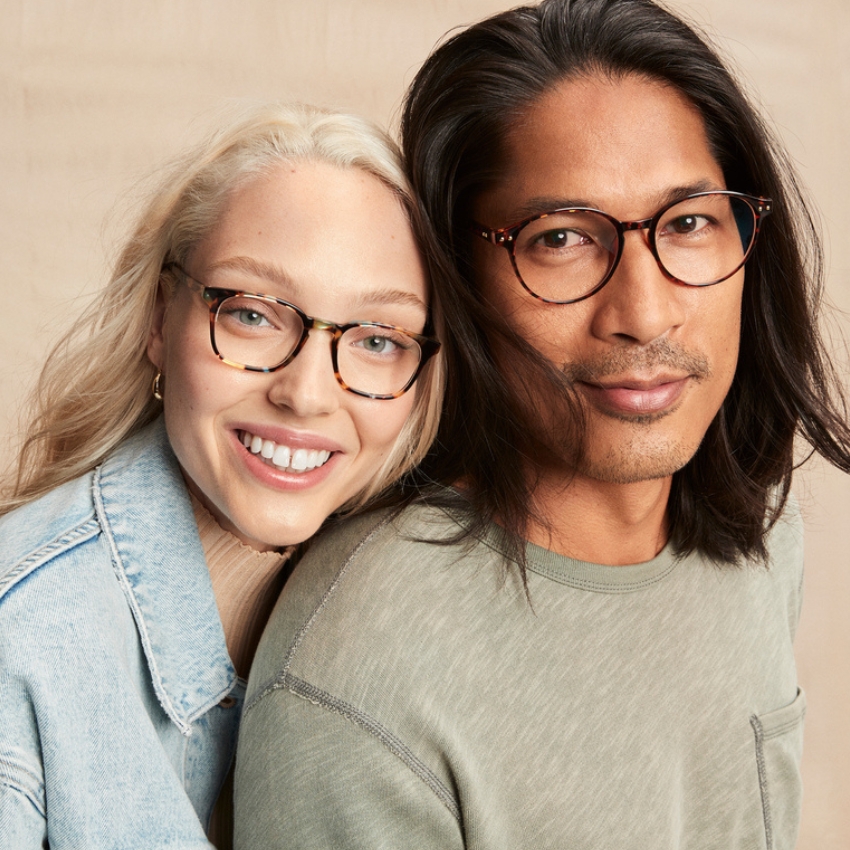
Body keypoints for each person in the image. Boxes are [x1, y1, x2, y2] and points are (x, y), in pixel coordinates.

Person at [234, 1, 850, 848]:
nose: (644, 313)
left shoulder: (761, 533)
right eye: (560, 238)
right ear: (456, 275)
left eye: (691, 223)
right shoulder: (360, 676)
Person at [0, 102, 442, 849]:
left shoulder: (401, 613)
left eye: (376, 339)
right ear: (158, 317)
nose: (306, 393)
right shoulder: (22, 652)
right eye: (253, 315)